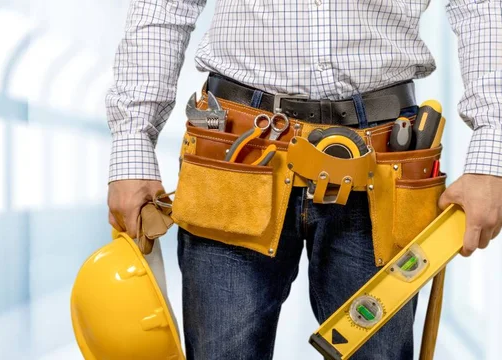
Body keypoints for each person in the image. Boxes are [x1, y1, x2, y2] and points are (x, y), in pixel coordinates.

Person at [105, 1, 502, 359]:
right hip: (235, 158)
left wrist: (492, 151)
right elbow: (163, 7)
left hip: (383, 162)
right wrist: (132, 142)